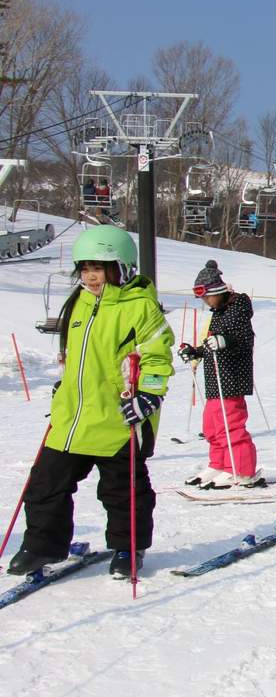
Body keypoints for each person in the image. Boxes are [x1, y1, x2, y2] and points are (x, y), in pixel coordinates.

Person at [7, 226, 174, 578]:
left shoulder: (140, 308)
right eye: (84, 269)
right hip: (72, 420)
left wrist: (149, 395)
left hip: (117, 418)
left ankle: (129, 549)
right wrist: (66, 387)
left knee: (123, 493)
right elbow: (78, 358)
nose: (90, 276)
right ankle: (41, 546)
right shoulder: (79, 303)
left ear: (122, 267)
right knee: (44, 485)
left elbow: (158, 358)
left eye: (98, 268)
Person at [178, 260, 262, 489]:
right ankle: (220, 463)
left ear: (217, 291)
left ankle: (243, 470)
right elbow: (212, 343)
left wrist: (225, 341)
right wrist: (195, 351)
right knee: (212, 426)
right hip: (216, 380)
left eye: (207, 297)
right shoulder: (219, 312)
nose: (205, 302)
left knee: (231, 426)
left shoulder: (238, 308)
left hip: (232, 377)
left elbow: (244, 339)